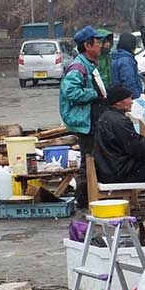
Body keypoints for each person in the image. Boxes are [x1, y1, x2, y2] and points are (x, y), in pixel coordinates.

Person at [93, 84, 145, 205]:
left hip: (110, 168)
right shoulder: (119, 121)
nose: (132, 102)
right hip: (118, 172)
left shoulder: (107, 117)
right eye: (128, 98)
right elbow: (138, 149)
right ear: (118, 102)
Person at [59, 25, 108, 208]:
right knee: (88, 161)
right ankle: (84, 201)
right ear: (87, 45)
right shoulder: (78, 67)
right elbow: (70, 92)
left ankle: (89, 197)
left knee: (92, 160)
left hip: (92, 119)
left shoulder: (89, 65)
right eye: (97, 43)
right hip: (85, 122)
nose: (101, 46)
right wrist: (94, 94)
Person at [111, 32, 142, 99]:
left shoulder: (116, 57)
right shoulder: (126, 60)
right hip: (127, 98)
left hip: (118, 96)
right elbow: (129, 82)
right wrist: (137, 98)